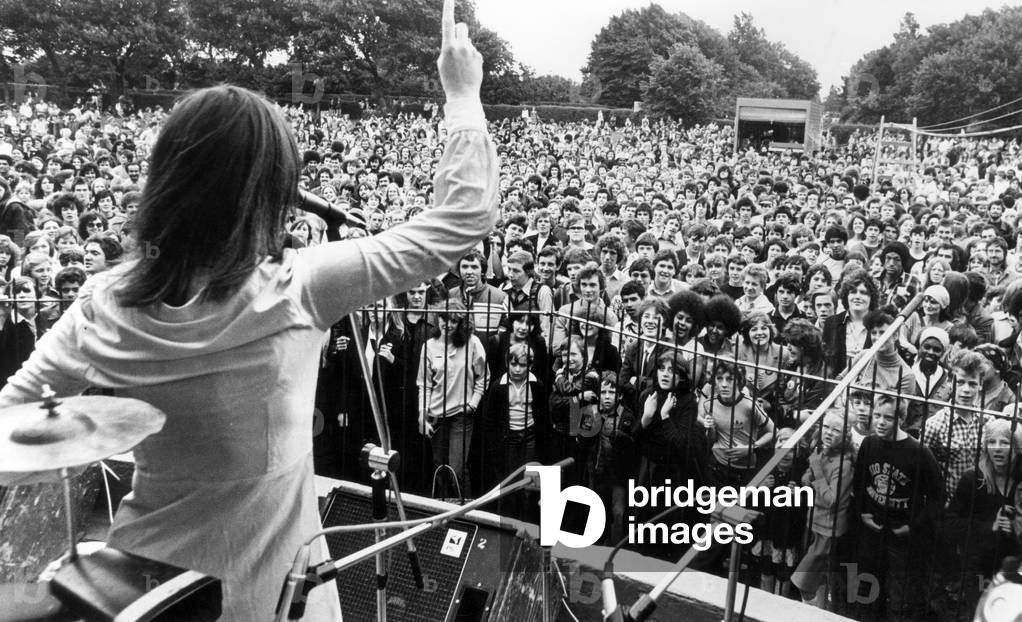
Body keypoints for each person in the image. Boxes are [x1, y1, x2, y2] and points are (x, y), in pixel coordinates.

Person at [0, 6, 495, 619]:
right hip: (271, 593)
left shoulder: (102, 307)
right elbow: (461, 221)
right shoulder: (296, 290)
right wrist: (462, 94)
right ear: (266, 194)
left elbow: (13, 418)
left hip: (143, 591)